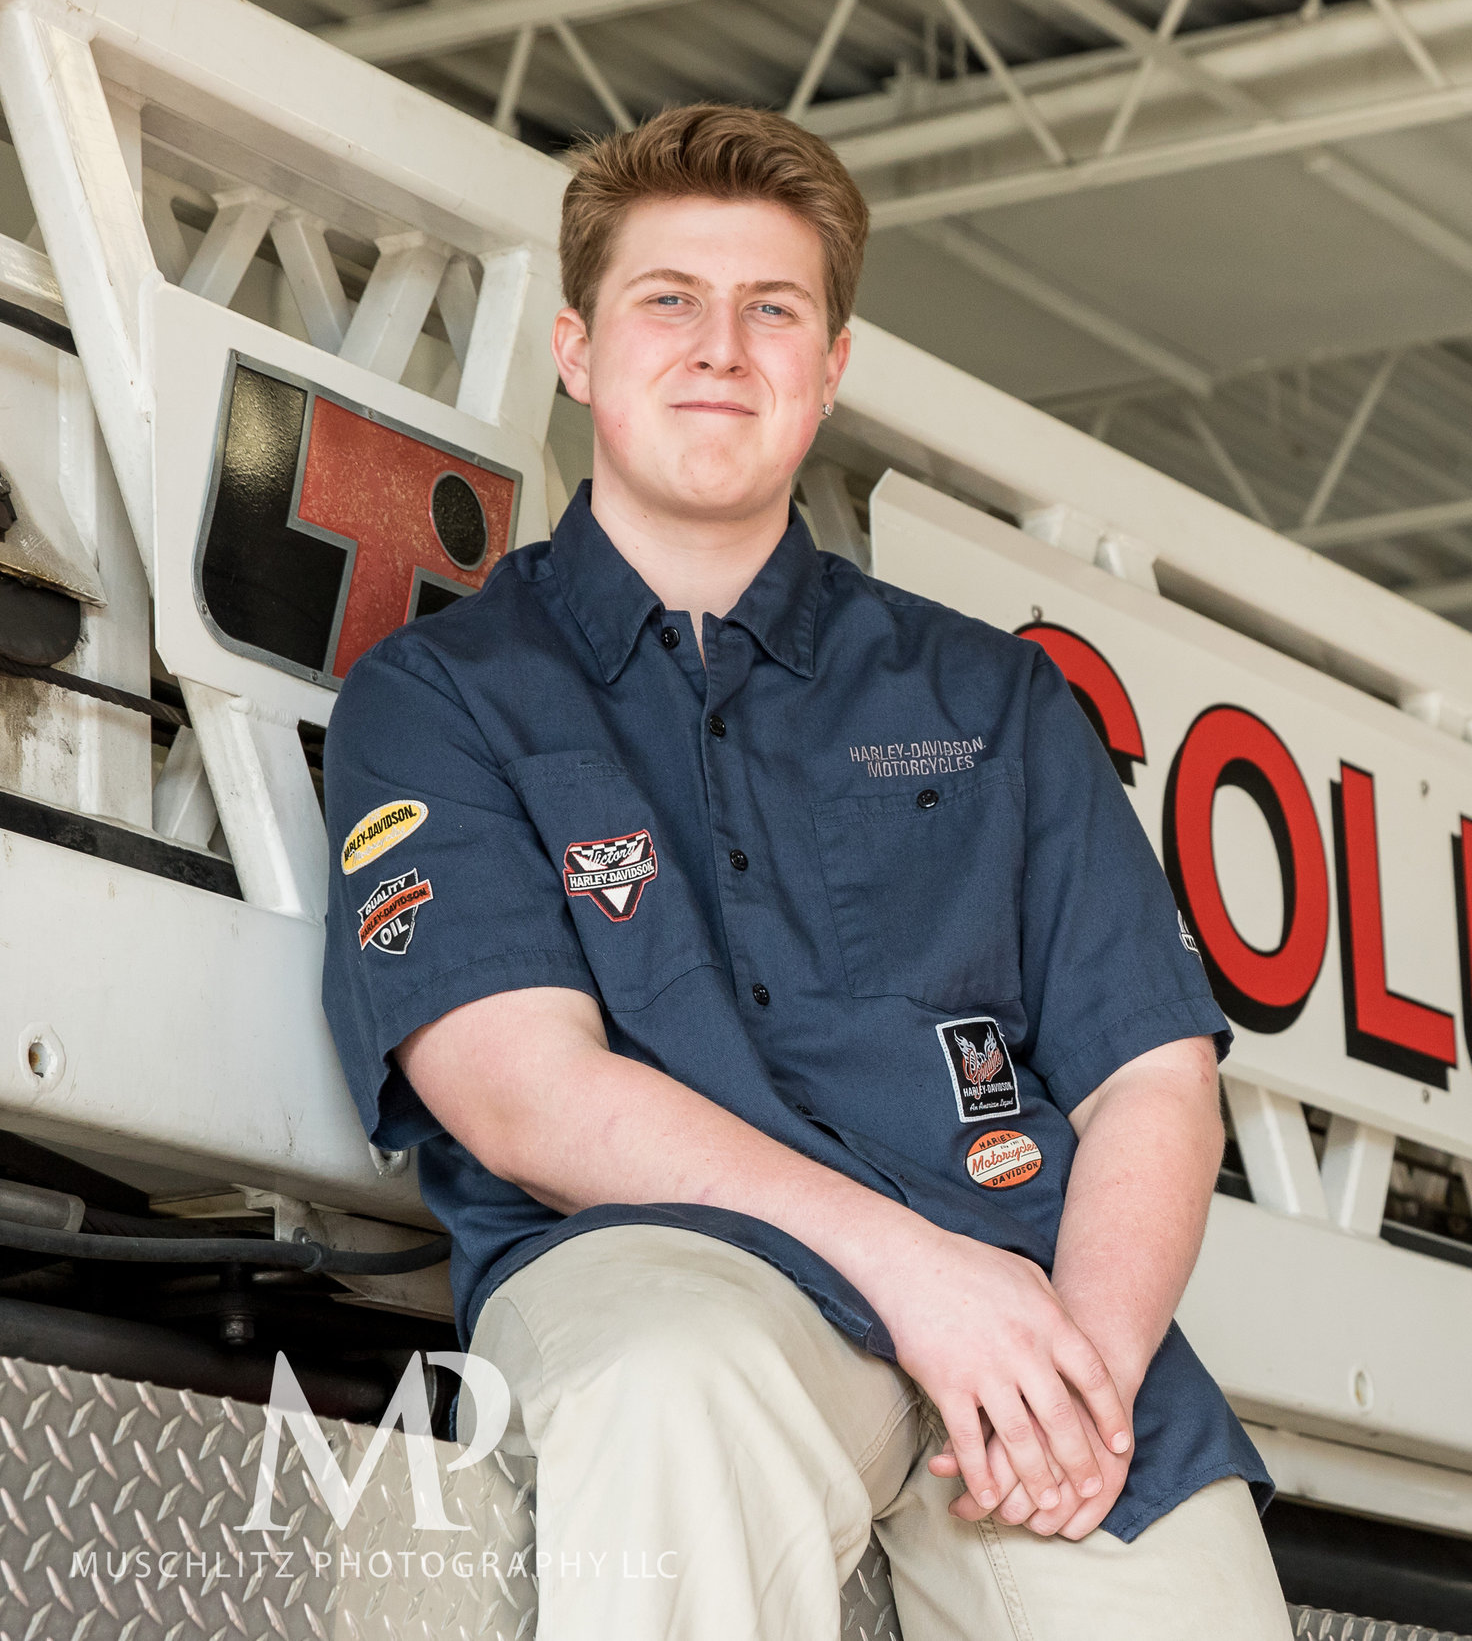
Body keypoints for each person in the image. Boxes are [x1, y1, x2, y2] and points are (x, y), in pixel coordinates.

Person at [318, 102, 1291, 1640]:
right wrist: (916, 1275)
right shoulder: (442, 697)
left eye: (773, 309)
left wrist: (1080, 1373)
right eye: (668, 301)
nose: (722, 346)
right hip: (673, 1271)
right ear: (576, 349)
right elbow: (521, 1089)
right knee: (672, 1391)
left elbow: (1152, 1083)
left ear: (828, 369)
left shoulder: (999, 700)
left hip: (1031, 1302)